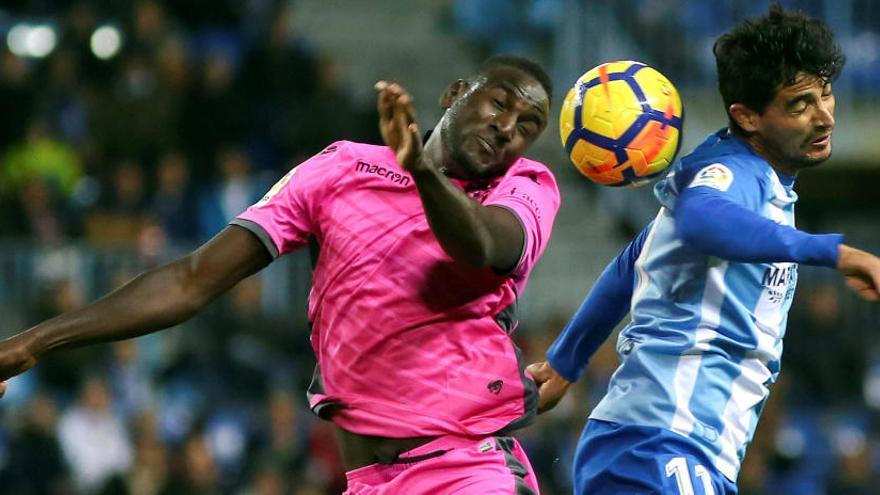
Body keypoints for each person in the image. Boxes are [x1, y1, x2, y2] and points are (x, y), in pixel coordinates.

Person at [0, 54, 559, 494]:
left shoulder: (525, 189)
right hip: (368, 481)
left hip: (469, 468)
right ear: (456, 93)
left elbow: (481, 243)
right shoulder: (340, 168)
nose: (508, 127)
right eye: (499, 103)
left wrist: (419, 171)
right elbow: (192, 279)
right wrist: (36, 343)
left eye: (527, 124)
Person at [527, 5, 880, 494]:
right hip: (662, 445)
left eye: (826, 95)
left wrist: (567, 360)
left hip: (662, 446)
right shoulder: (734, 174)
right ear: (748, 116)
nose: (824, 116)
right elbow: (701, 219)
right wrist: (836, 253)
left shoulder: (758, 179)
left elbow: (636, 257)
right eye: (799, 104)